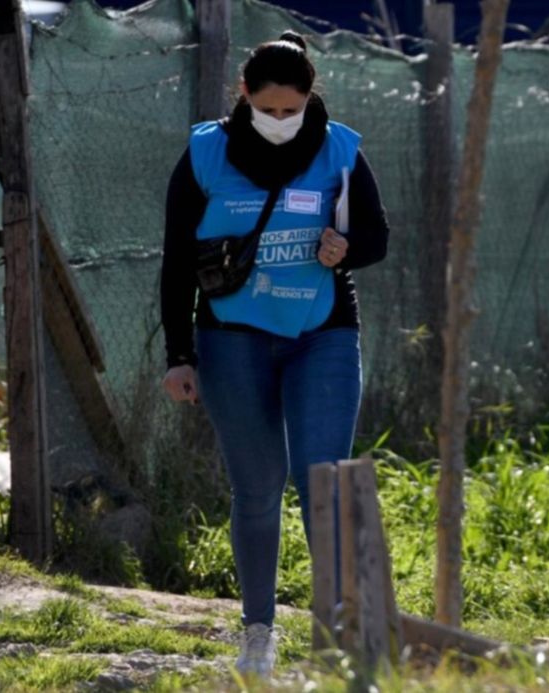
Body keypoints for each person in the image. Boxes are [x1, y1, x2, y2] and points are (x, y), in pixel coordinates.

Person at [159, 31, 389, 677]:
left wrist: (346, 248)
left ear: (311, 97)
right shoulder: (205, 153)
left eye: (293, 109)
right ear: (244, 94)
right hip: (231, 337)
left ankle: (345, 646)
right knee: (258, 488)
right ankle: (258, 631)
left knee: (325, 484)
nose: (282, 120)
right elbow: (176, 261)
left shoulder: (340, 149)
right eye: (269, 109)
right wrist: (178, 354)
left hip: (322, 333)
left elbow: (376, 236)